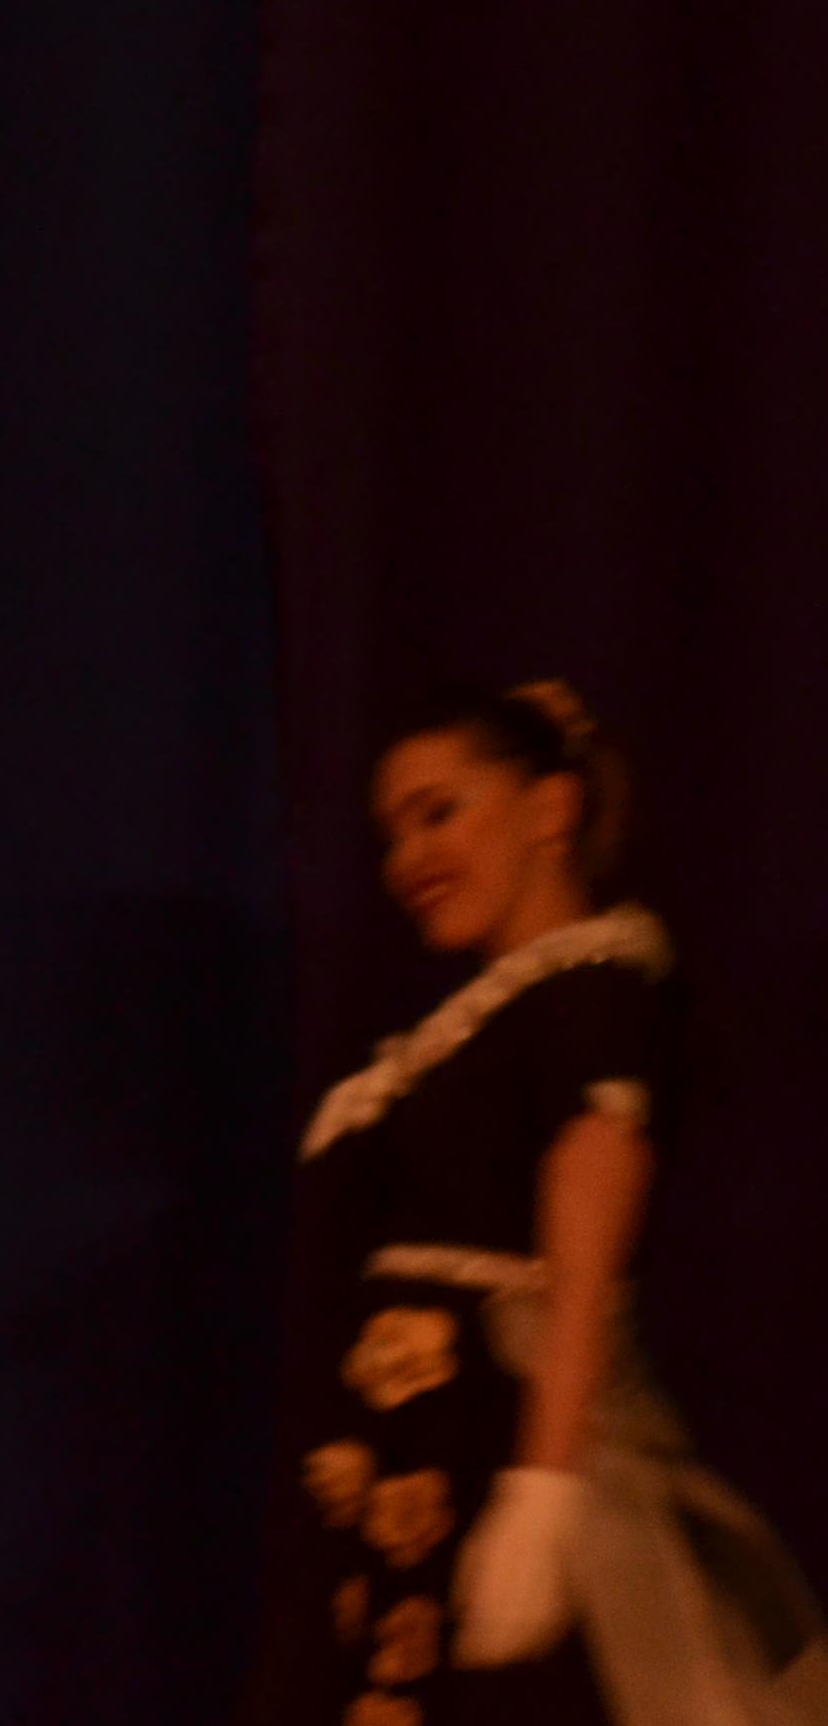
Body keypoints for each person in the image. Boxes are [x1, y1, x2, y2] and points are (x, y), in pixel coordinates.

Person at [256, 680, 828, 1726]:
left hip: (482, 1449)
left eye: (439, 812)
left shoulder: (590, 991)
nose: (407, 859)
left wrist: (543, 1489)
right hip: (398, 1465)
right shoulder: (465, 1030)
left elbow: (585, 1261)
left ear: (550, 809)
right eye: (392, 834)